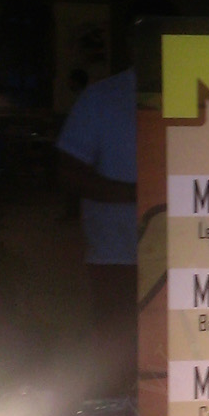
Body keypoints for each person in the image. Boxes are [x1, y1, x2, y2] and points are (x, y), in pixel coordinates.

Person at [57, 64, 138, 396]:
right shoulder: (103, 97)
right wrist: (141, 194)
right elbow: (69, 173)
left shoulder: (200, 89)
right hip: (116, 255)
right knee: (117, 353)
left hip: (188, 256)